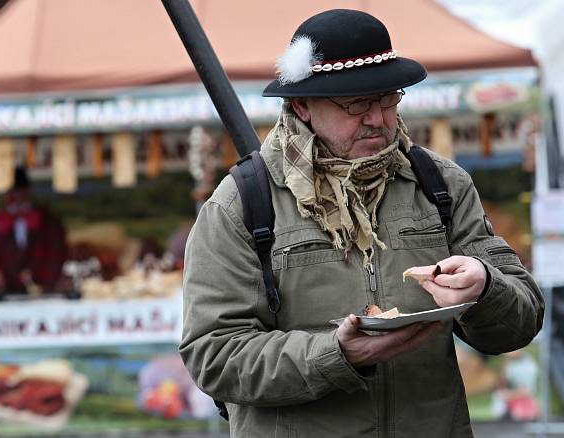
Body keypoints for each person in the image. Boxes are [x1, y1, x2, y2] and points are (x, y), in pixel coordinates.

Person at [179, 9, 544, 437]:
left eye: (388, 99)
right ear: (302, 105)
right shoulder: (241, 203)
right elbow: (214, 356)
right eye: (356, 104)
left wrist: (486, 286)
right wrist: (335, 354)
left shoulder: (441, 184)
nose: (377, 118)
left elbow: (522, 319)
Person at [0, 167, 67, 295]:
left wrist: (42, 279)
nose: (16, 198)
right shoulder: (0, 223)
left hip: (45, 292)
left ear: (28, 192)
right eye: (11, 194)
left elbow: (57, 255)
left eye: (19, 193)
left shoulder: (49, 222)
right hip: (9, 292)